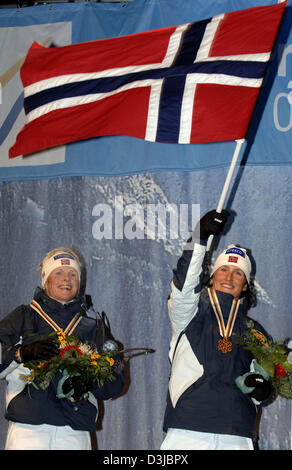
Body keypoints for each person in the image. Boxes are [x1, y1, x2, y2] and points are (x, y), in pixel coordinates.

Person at [161, 210, 273, 451]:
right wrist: (199, 236)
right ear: (211, 277)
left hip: (236, 432)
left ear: (245, 286)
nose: (230, 277)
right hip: (188, 428)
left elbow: (260, 386)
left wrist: (263, 388)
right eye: (223, 270)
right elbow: (185, 283)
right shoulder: (189, 311)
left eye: (238, 273)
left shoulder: (255, 332)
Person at [0, 247, 125, 450]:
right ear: (45, 278)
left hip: (74, 432)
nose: (66, 279)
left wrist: (89, 382)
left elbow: (115, 384)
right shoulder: (24, 317)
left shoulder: (93, 326)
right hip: (28, 429)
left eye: (72, 274)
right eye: (58, 272)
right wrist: (21, 354)